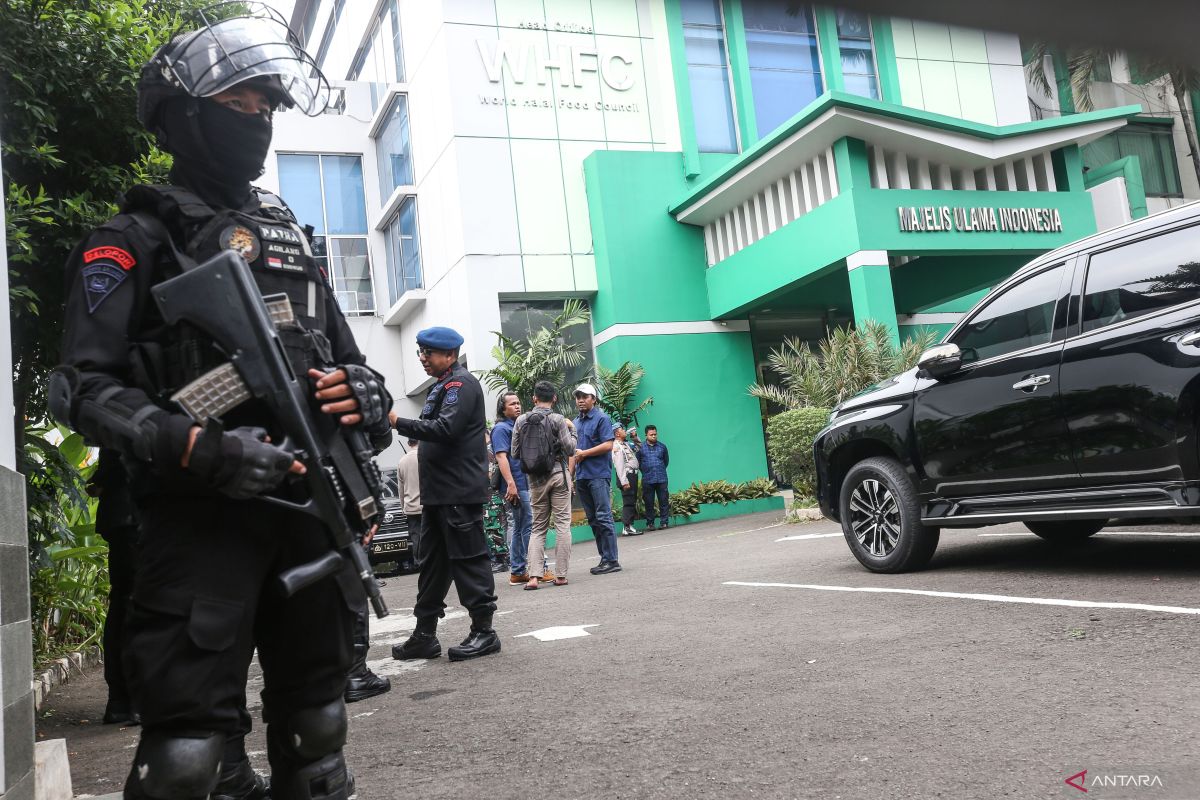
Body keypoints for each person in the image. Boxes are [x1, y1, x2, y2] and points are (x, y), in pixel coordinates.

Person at [50, 8, 393, 796]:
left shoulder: (288, 239)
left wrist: (363, 396)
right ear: (185, 116)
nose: (259, 121)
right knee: (189, 759)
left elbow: (347, 361)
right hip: (198, 522)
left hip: (311, 511)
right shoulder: (129, 239)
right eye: (241, 103)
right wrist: (202, 448)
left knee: (318, 730)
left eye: (268, 105)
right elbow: (81, 388)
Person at [390, 327, 500, 662]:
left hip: (457, 493)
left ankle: (484, 632)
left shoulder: (460, 385)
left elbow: (445, 430)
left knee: (468, 561)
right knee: (432, 566)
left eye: (429, 353)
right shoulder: (441, 386)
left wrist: (398, 421)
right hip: (438, 495)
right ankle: (424, 635)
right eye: (420, 352)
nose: (423, 359)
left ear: (449, 355)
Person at [512, 381, 577, 590]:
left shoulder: (521, 420)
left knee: (537, 528)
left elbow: (514, 453)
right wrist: (573, 430)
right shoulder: (558, 419)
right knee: (562, 525)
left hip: (535, 481)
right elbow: (570, 450)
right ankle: (560, 576)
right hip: (558, 475)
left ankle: (533, 577)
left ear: (534, 399)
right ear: (554, 398)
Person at [492, 391, 544, 586]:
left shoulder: (517, 425)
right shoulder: (501, 429)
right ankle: (525, 569)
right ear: (503, 409)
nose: (517, 406)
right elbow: (501, 457)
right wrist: (511, 484)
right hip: (516, 485)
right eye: (512, 404)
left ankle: (519, 570)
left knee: (521, 525)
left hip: (524, 483)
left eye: (518, 403)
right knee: (523, 525)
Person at [571, 384, 622, 575]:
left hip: (598, 474)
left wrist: (585, 454)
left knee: (603, 517)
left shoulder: (602, 418)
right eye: (578, 397)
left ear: (594, 399)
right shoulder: (576, 422)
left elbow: (609, 444)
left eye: (585, 396)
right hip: (582, 476)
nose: (580, 400)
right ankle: (604, 558)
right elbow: (573, 453)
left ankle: (612, 560)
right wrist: (570, 476)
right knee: (593, 519)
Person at [639, 424, 671, 530]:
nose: (654, 436)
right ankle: (650, 523)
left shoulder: (662, 446)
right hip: (648, 479)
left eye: (655, 434)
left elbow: (666, 461)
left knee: (663, 501)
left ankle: (664, 522)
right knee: (649, 502)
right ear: (646, 435)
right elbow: (638, 462)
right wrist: (646, 471)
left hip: (662, 478)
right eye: (651, 434)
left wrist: (659, 469)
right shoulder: (641, 448)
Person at [612, 424, 641, 537]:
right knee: (628, 502)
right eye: (622, 429)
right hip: (626, 476)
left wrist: (634, 437)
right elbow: (619, 465)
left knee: (631, 501)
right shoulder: (617, 446)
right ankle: (627, 527)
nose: (625, 431)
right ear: (617, 433)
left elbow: (639, 447)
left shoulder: (626, 444)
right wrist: (624, 481)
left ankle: (628, 526)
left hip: (632, 476)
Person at [396, 438, 422, 555]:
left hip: (410, 508)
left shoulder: (402, 461)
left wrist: (403, 508)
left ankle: (418, 562)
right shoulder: (425, 457)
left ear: (408, 444)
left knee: (415, 536)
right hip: (426, 506)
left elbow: (400, 489)